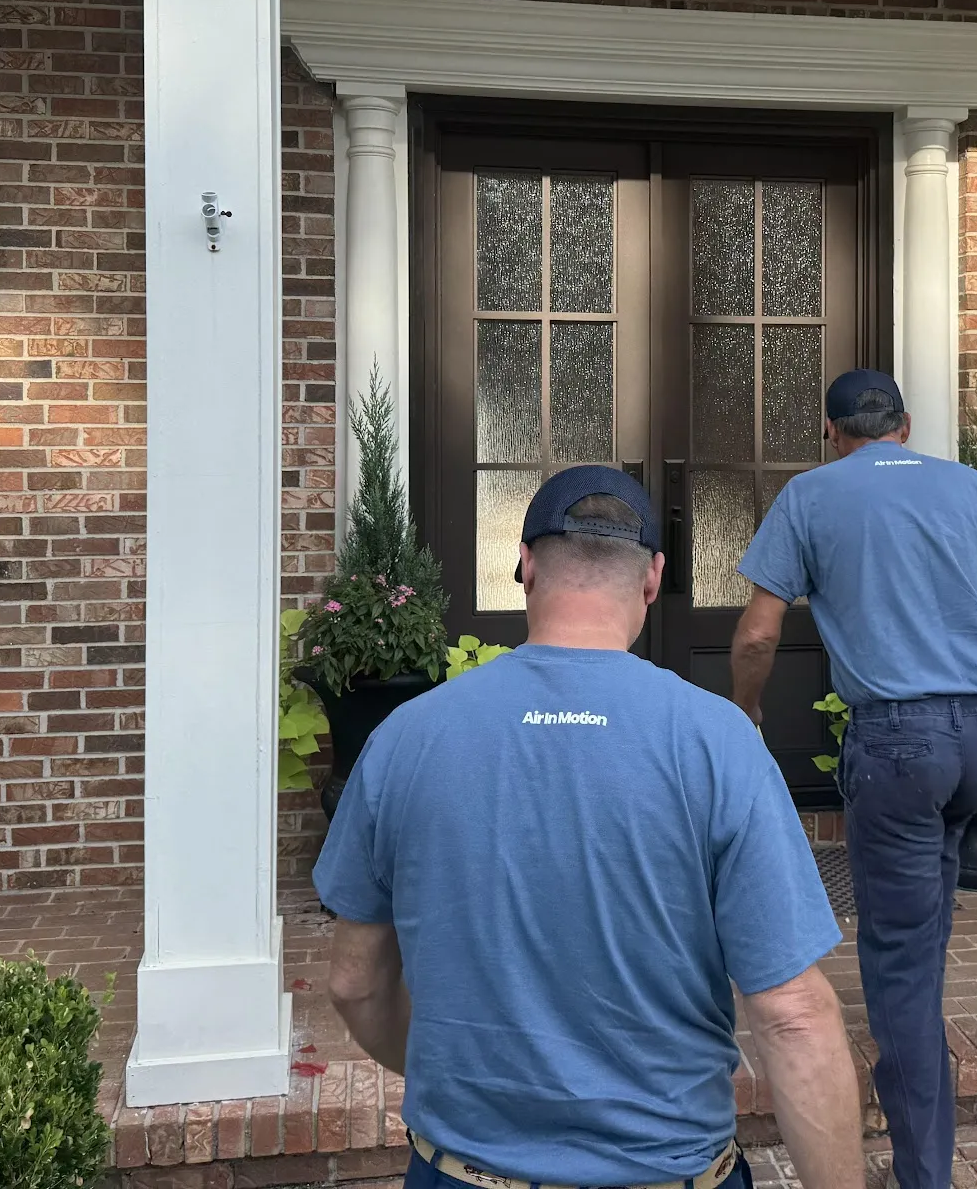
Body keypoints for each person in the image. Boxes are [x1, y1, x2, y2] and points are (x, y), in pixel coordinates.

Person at [314, 465, 865, 1189]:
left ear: (525, 565)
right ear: (653, 578)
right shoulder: (716, 740)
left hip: (464, 1170)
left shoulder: (407, 737)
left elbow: (355, 983)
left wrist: (457, 1084)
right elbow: (792, 1015)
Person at [729, 371, 977, 1189]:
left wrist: (747, 714)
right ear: (904, 426)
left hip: (903, 749)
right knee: (926, 923)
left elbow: (759, 636)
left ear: (831, 432)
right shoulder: (971, 488)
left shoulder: (810, 496)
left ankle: (923, 1176)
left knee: (902, 968)